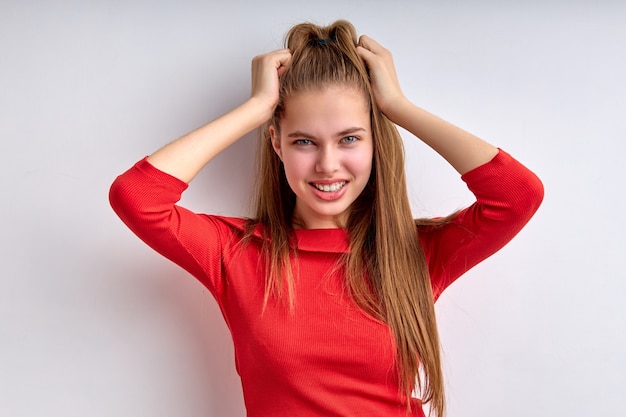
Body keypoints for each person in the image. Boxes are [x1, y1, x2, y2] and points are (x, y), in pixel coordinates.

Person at [109, 20, 543, 417]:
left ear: (375, 140)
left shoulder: (415, 254)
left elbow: (516, 195)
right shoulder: (235, 252)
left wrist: (398, 106)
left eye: (349, 138)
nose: (327, 164)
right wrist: (257, 109)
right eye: (304, 142)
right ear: (276, 143)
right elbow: (137, 198)